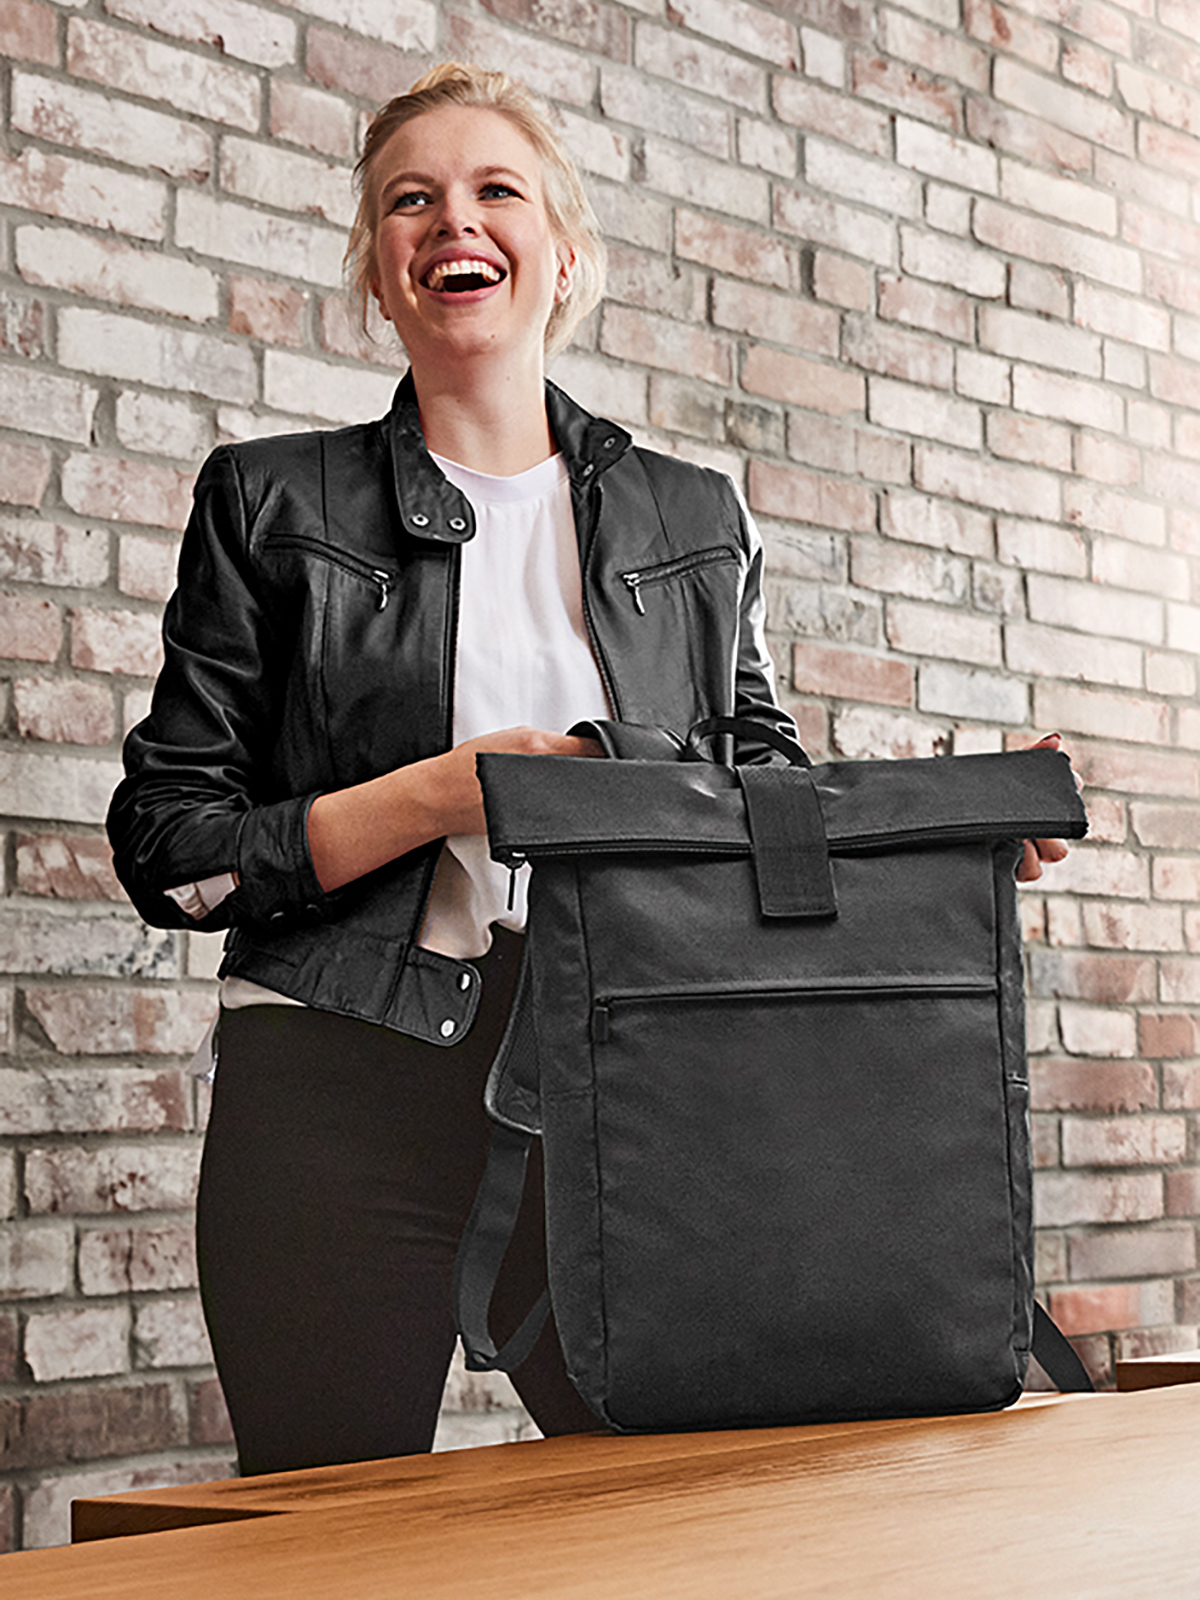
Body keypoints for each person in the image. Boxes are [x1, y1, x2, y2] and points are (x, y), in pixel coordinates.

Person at [108, 61, 1068, 1476]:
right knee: (327, 1523)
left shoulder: (694, 518)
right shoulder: (269, 500)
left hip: (629, 1072)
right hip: (335, 1085)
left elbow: (761, 806)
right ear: (377, 271)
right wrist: (448, 794)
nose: (453, 220)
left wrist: (950, 840)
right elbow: (172, 848)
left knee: (697, 1498)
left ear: (564, 254)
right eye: (410, 200)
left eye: (495, 189)